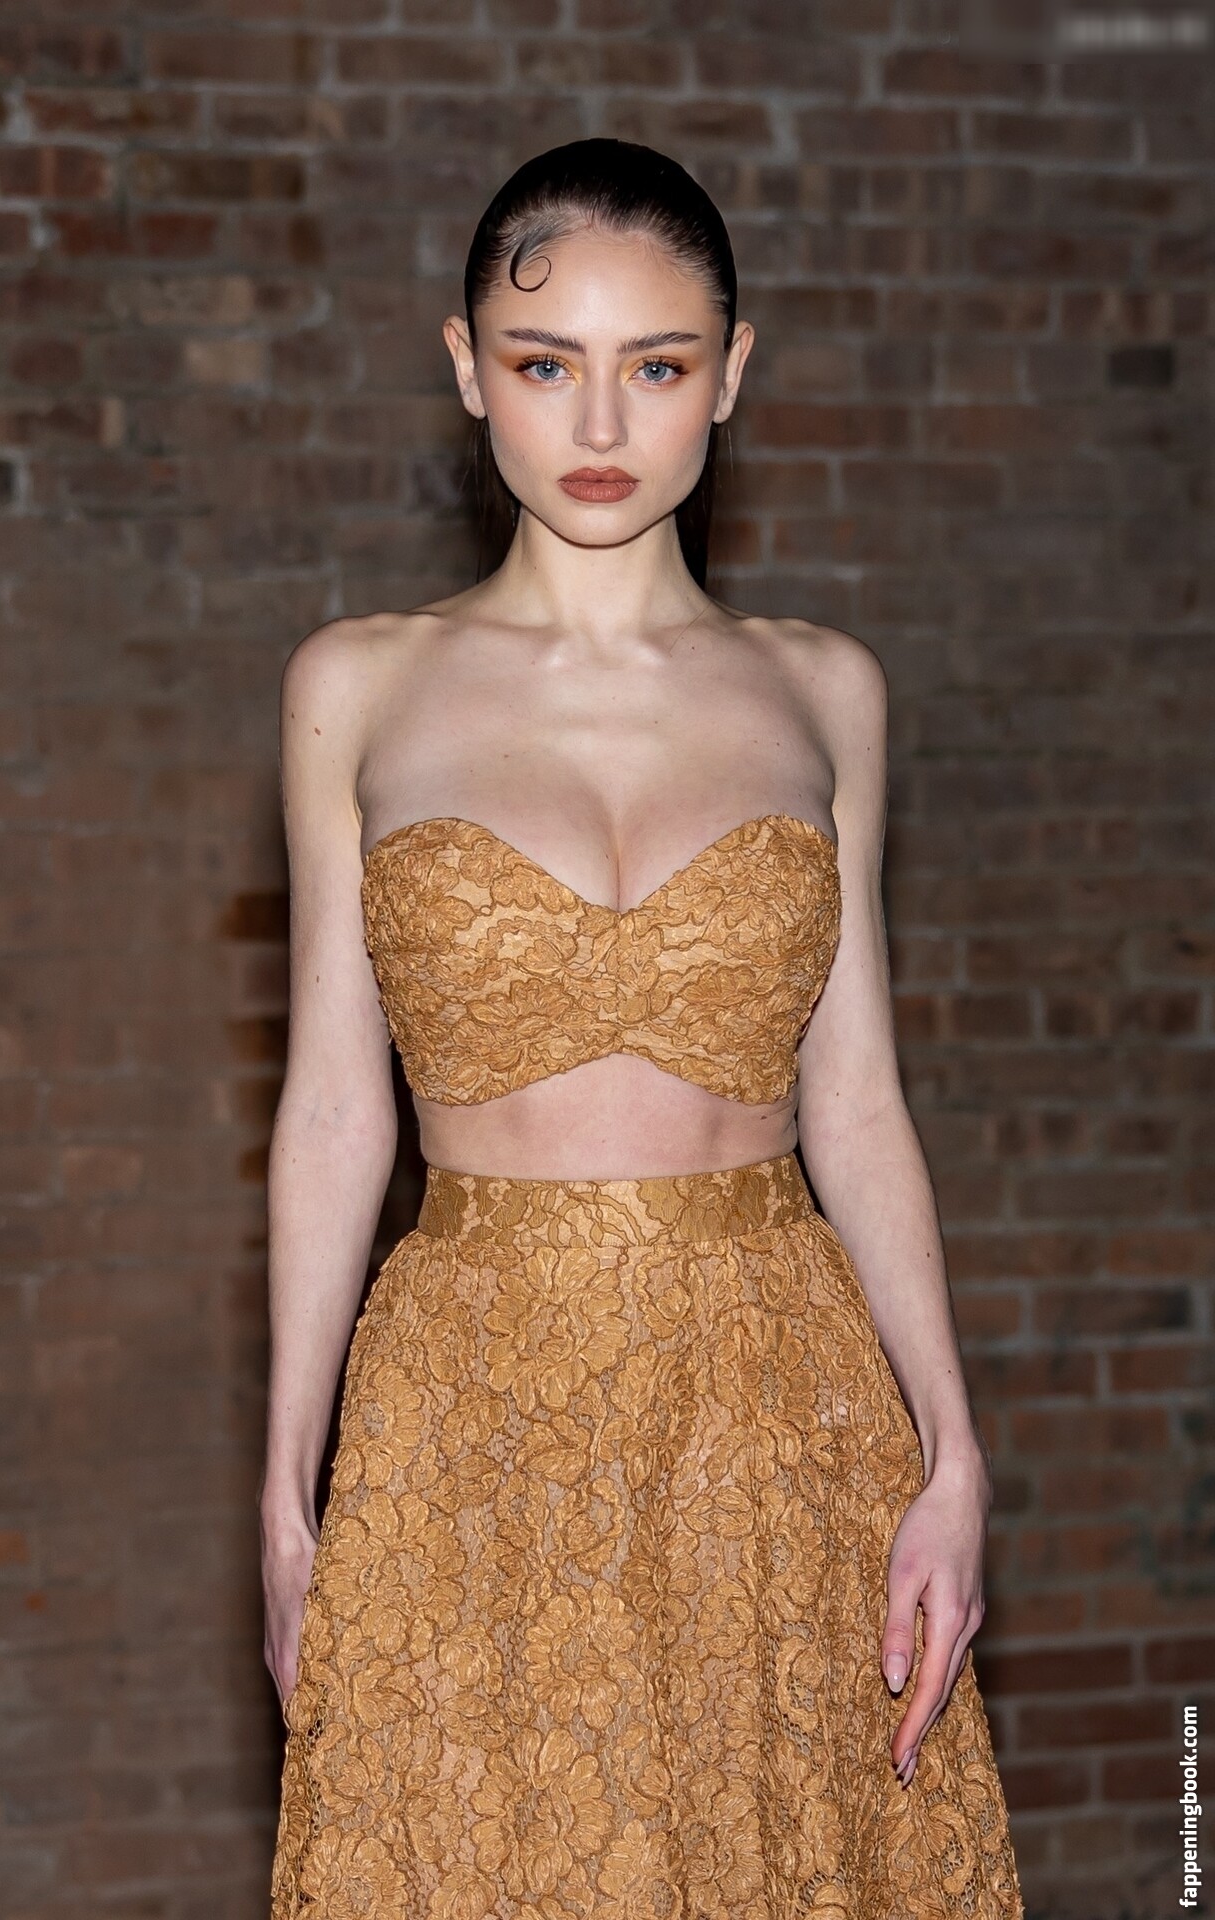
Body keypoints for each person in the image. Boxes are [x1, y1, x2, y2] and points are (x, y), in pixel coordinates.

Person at [262, 137, 1024, 1919]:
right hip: (470, 1409)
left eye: (658, 366)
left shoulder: (823, 692)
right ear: (468, 371)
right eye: (545, 365)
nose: (600, 421)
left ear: (730, 374)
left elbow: (859, 1104)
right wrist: (287, 1499)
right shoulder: (357, 686)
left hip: (777, 1405)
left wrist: (954, 1452)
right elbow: (331, 1115)